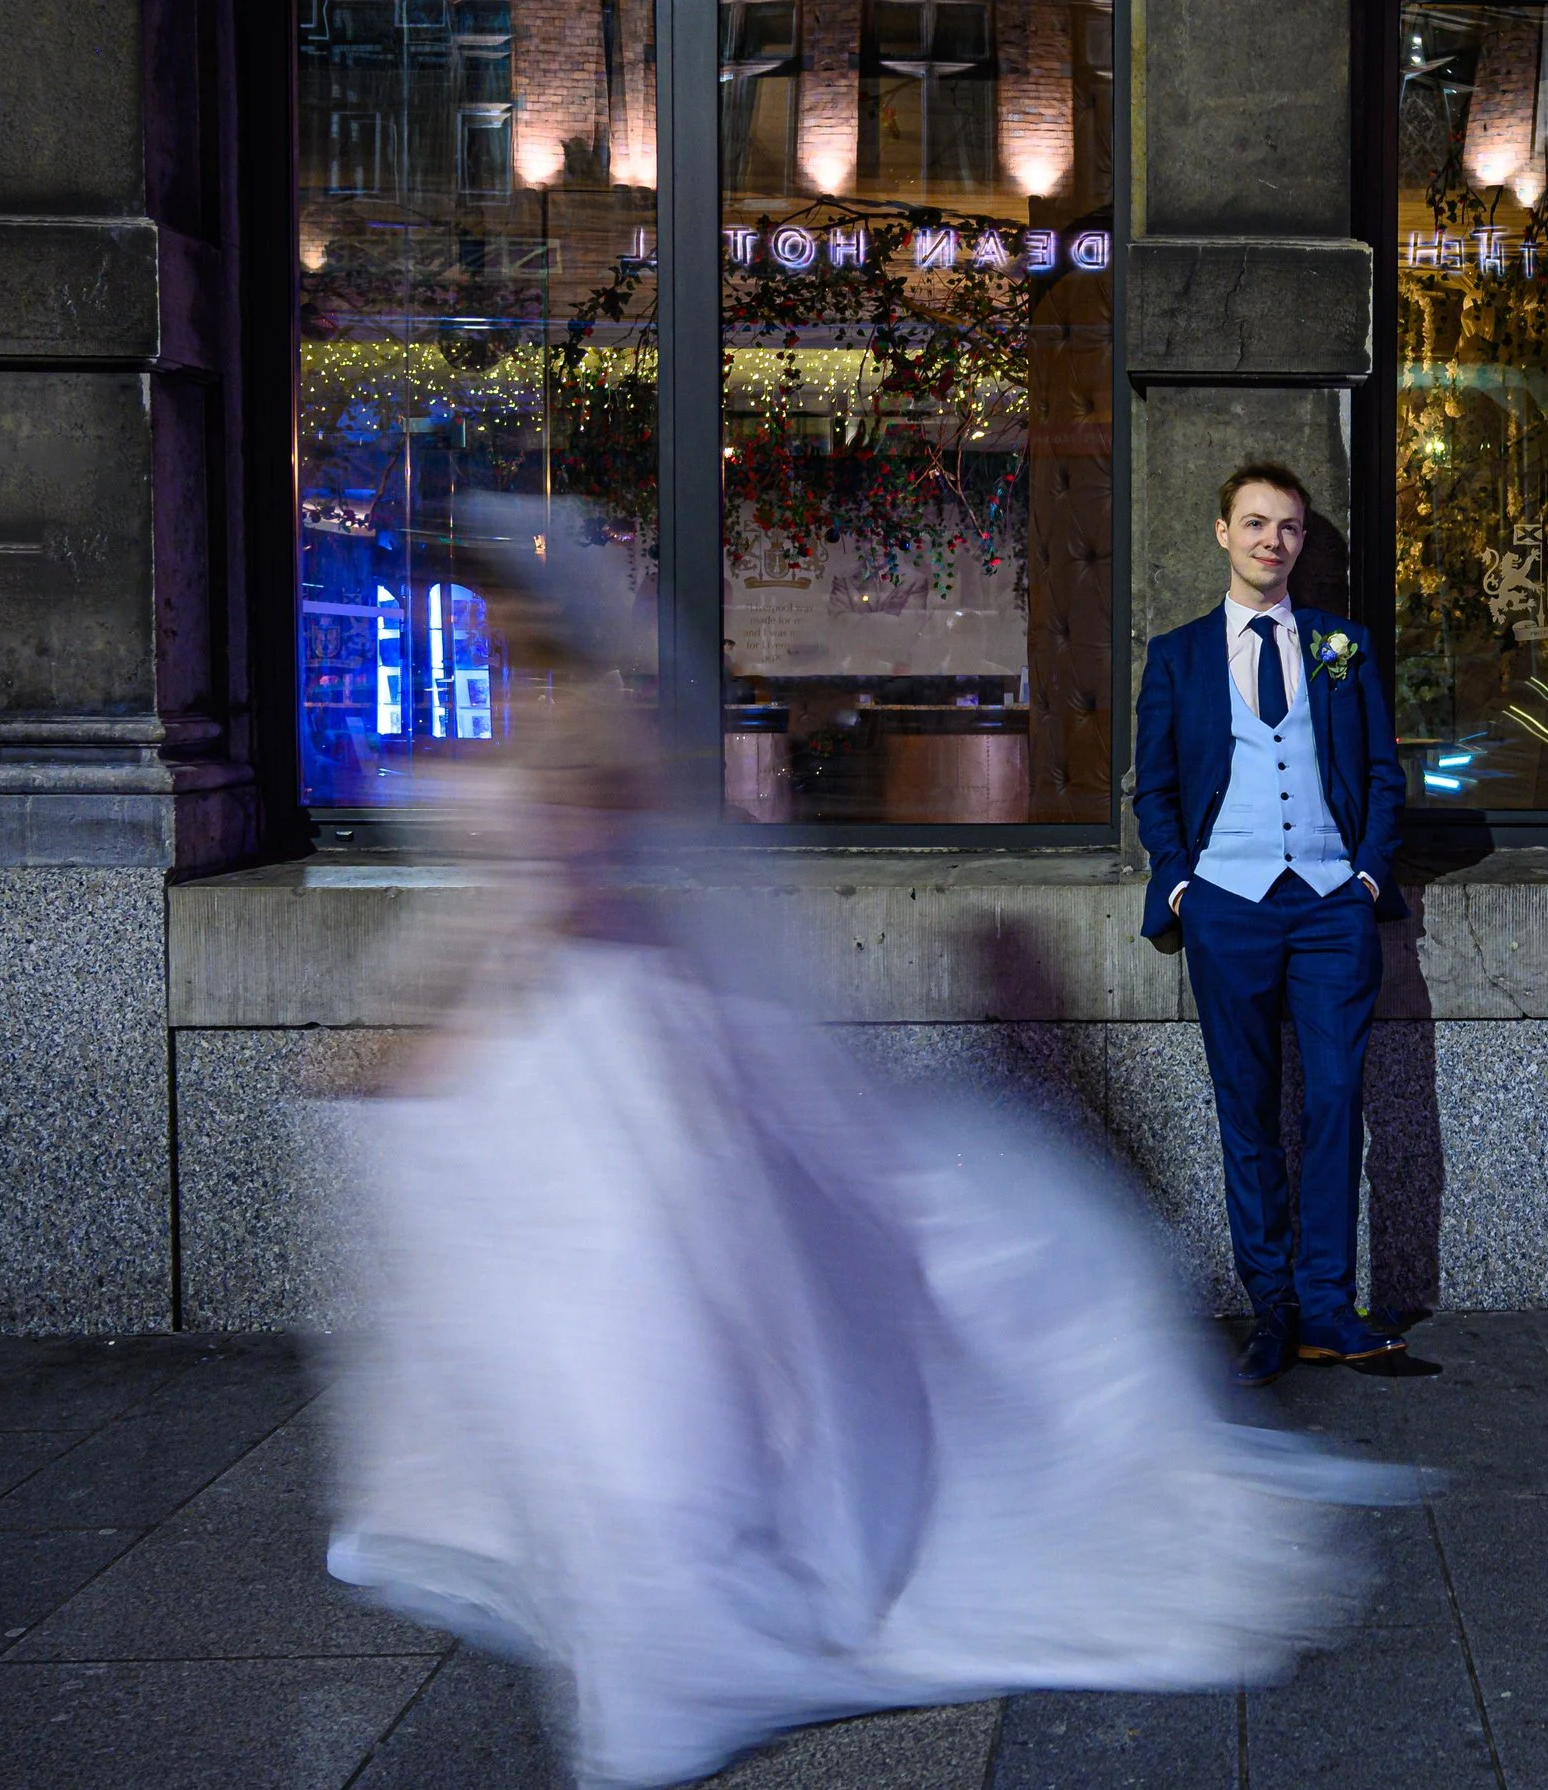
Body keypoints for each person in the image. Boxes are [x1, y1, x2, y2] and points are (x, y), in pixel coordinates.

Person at [320, 516, 1413, 1790]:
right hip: (573, 1060)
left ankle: (706, 1568)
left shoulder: (576, 731)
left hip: (598, 1052)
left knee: (656, 1322)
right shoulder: (528, 726)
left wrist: (425, 1030)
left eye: (493, 618)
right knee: (598, 1329)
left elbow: (541, 905)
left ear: (528, 620)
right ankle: (624, 1539)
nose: (482, 639)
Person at [1133, 463, 1410, 1388]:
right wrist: (1182, 888)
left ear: (1301, 542)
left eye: (1288, 528)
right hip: (1228, 906)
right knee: (1246, 1113)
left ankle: (1330, 1307)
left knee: (1335, 1104)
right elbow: (1158, 788)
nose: (1271, 542)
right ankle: (1272, 1309)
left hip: (1332, 906)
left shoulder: (1344, 646)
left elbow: (1381, 773)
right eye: (1255, 525)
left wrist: (1367, 874)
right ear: (1223, 533)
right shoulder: (1176, 656)